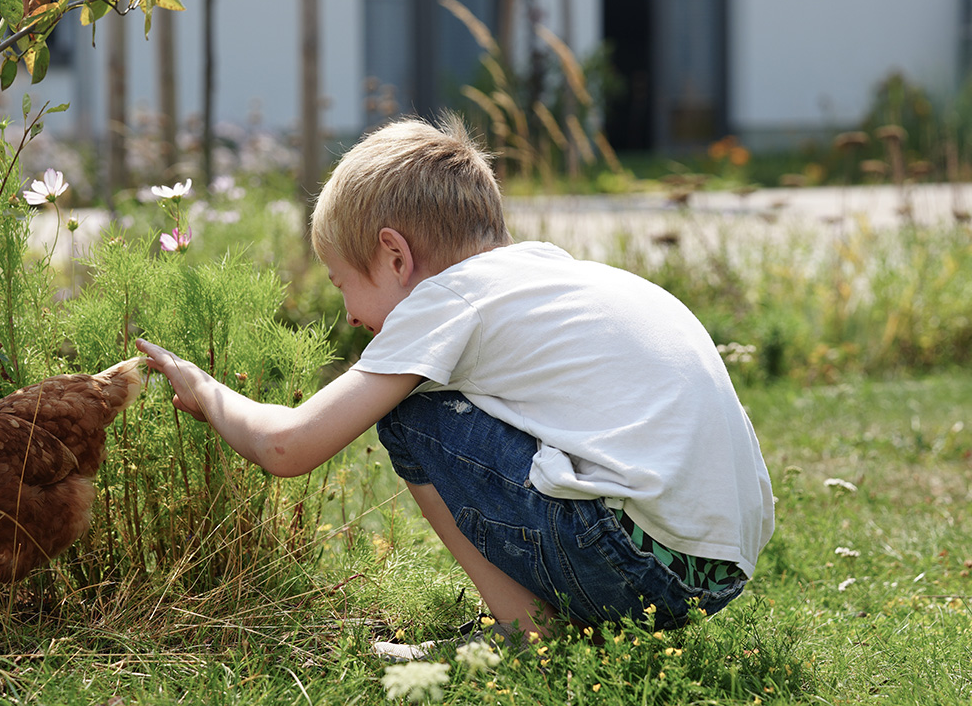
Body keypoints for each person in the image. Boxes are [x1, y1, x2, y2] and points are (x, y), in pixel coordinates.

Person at [138, 114, 775, 648]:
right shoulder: (554, 277)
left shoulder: (449, 297)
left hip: (631, 564)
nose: (350, 316)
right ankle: (546, 623)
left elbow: (287, 446)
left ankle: (526, 633)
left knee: (408, 413)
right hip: (717, 573)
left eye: (342, 284)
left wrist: (206, 391)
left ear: (395, 256)